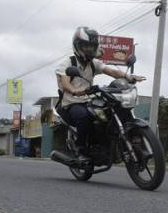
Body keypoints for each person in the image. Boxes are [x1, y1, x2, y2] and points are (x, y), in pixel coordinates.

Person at [56, 27, 145, 162]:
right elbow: (65, 83)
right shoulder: (67, 63)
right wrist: (74, 90)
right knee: (83, 116)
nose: (89, 49)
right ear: (77, 45)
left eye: (92, 46)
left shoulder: (93, 63)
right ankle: (80, 150)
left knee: (109, 112)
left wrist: (129, 76)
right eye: (85, 46)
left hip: (89, 100)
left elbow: (111, 71)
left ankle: (105, 146)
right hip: (71, 103)